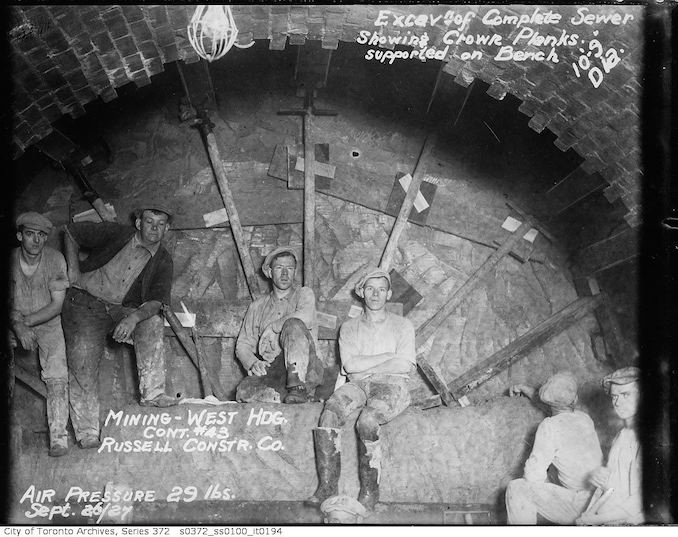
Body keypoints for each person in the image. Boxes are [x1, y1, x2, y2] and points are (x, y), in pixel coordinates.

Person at [62, 204, 176, 449]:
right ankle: (87, 431)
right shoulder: (116, 234)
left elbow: (156, 301)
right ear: (138, 223)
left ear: (167, 228)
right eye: (149, 221)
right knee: (82, 358)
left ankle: (152, 394)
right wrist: (72, 268)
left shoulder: (163, 260)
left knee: (152, 323)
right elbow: (71, 231)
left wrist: (133, 318)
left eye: (160, 223)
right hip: (84, 301)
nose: (154, 228)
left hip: (120, 308)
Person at [309, 268, 415, 511]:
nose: (375, 294)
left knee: (367, 421)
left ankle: (369, 490)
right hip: (358, 385)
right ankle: (327, 486)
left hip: (392, 385)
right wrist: (389, 355)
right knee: (330, 412)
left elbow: (403, 364)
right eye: (370, 289)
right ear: (361, 293)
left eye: (381, 289)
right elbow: (352, 369)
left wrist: (369, 362)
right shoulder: (349, 328)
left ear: (389, 294)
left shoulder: (403, 325)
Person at [504, 371, 603, 524]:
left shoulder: (549, 426)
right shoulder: (584, 418)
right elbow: (559, 411)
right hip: (600, 499)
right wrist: (527, 390)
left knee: (517, 488)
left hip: (580, 507)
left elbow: (532, 476)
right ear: (575, 399)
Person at [9, 212, 70, 457]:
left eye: (42, 235)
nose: (36, 240)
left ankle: (58, 437)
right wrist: (18, 326)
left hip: (46, 320)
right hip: (12, 320)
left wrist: (27, 323)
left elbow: (57, 305)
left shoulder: (55, 260)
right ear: (19, 235)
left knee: (57, 372)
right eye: (30, 234)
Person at [235, 247, 324, 404]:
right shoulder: (257, 306)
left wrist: (274, 326)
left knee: (293, 324)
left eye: (289, 268)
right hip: (275, 370)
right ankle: (278, 397)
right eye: (279, 268)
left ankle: (298, 389)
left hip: (307, 368)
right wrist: (253, 362)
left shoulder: (304, 294)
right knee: (244, 390)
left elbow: (306, 317)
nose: (285, 274)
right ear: (269, 273)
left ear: (295, 272)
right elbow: (243, 344)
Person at [576, 366, 643, 525]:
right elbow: (615, 484)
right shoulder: (623, 435)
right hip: (616, 515)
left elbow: (641, 500)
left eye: (625, 394)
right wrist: (601, 475)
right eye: (614, 396)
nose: (617, 402)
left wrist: (596, 519)